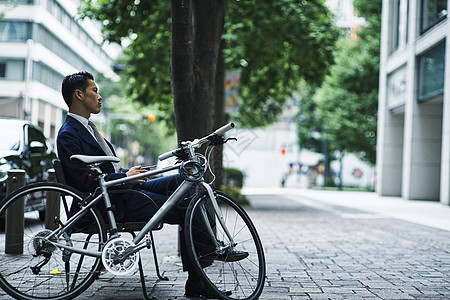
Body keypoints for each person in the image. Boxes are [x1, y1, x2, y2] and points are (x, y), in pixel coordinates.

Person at [57, 71, 246, 298]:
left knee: (185, 182)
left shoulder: (88, 128)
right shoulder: (69, 134)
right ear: (79, 95)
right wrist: (125, 178)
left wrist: (129, 173)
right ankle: (202, 271)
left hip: (125, 189)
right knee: (185, 204)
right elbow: (86, 182)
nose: (99, 96)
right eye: (94, 91)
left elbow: (105, 172)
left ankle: (205, 259)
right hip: (112, 203)